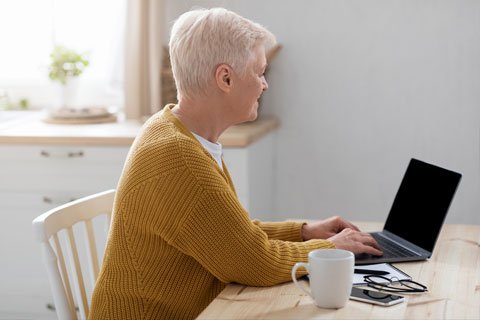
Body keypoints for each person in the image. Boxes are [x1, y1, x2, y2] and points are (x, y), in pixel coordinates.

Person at [89, 8, 382, 320]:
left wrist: (305, 232)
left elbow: (231, 235)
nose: (264, 84)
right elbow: (255, 262)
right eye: (259, 72)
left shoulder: (177, 131)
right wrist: (332, 250)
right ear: (225, 78)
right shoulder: (179, 158)